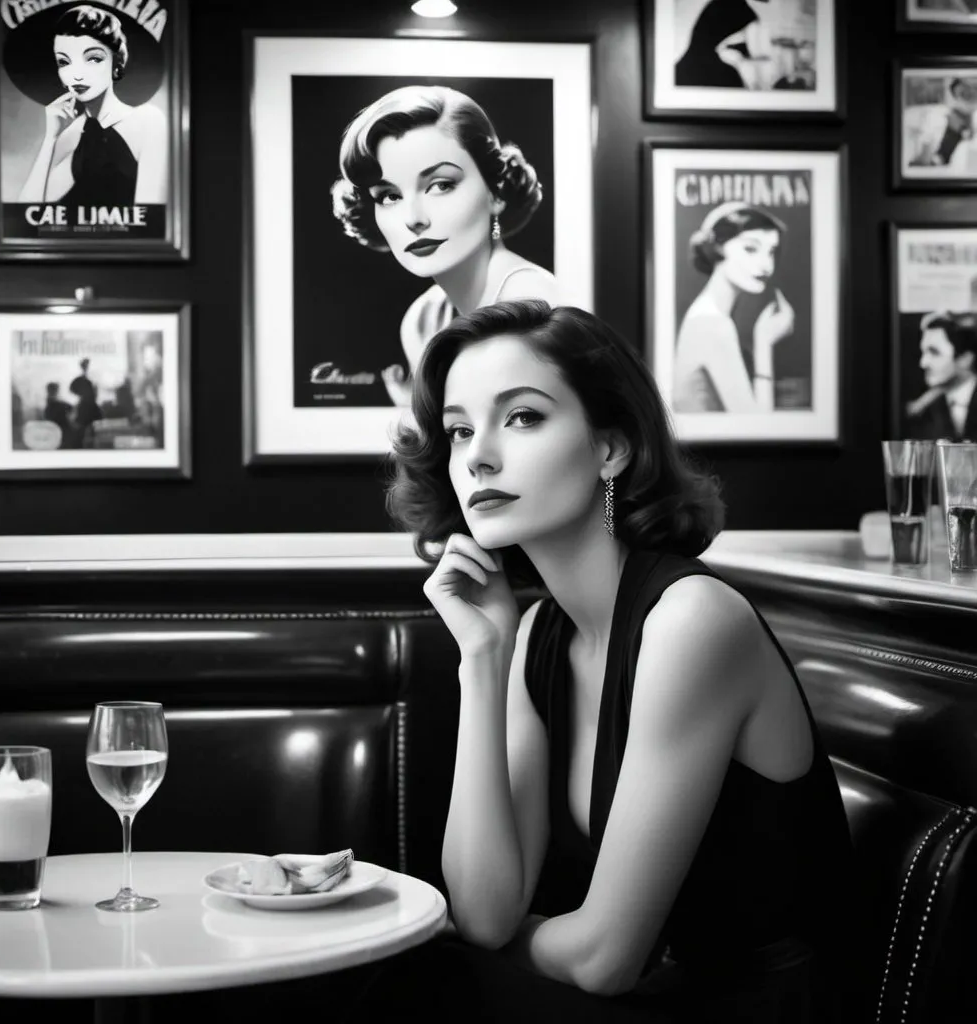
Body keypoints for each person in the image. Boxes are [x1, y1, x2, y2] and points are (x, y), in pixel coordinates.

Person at [355, 299, 858, 1023]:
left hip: (755, 1007)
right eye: (460, 429)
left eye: (522, 417)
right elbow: (487, 909)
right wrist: (482, 659)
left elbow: (602, 959)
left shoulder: (692, 621)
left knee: (413, 981)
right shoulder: (535, 634)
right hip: (651, 1000)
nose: (478, 455)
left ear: (610, 448)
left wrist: (457, 943)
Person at [331, 85, 564, 407]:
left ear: (495, 191)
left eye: (440, 185)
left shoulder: (537, 307)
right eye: (390, 196)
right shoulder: (423, 320)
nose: (413, 218)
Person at [18, 4, 167, 207]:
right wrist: (50, 138)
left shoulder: (149, 121)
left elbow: (150, 220)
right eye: (64, 62)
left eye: (93, 58)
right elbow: (27, 214)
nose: (77, 74)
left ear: (117, 61)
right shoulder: (72, 134)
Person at [673, 201, 794, 413]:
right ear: (718, 246)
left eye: (771, 251)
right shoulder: (710, 324)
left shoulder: (712, 315)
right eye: (751, 248)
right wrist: (764, 343)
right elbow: (758, 429)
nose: (767, 265)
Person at [905, 310, 977, 441]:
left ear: (965, 358)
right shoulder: (922, 409)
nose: (923, 363)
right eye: (923, 352)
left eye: (934, 352)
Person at [903, 76, 977, 173]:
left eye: (970, 92)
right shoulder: (941, 117)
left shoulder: (967, 117)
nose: (968, 96)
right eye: (961, 94)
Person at [68, 358, 102, 447]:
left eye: (86, 365)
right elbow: (72, 389)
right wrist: (81, 394)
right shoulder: (80, 379)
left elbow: (95, 391)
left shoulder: (93, 377)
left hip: (91, 406)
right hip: (85, 406)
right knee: (82, 430)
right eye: (84, 365)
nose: (85, 367)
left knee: (95, 429)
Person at [42, 381, 76, 448]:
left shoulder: (56, 404)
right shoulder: (58, 405)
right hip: (62, 434)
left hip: (57, 435)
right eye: (56, 390)